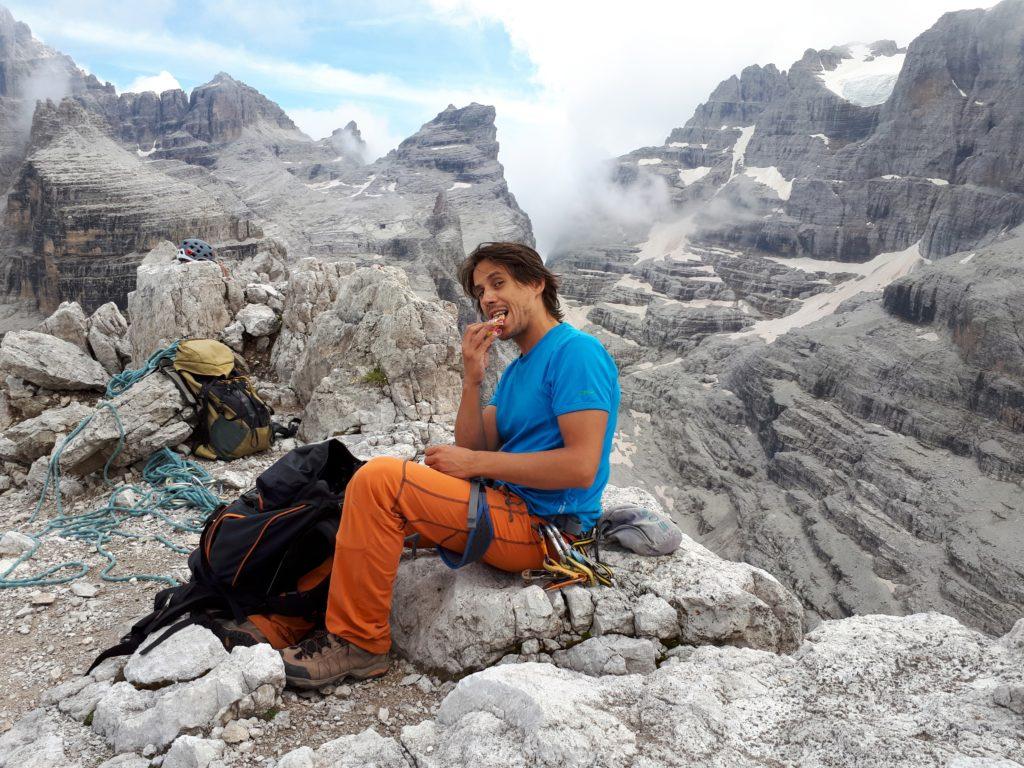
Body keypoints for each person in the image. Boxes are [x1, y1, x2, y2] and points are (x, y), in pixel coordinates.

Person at [269, 241, 621, 689]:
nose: (487, 298)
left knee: (380, 481)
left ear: (536, 284)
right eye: (479, 292)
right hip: (501, 505)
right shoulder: (517, 370)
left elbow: (581, 466)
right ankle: (282, 621)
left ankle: (360, 643)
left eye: (499, 283)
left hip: (542, 527)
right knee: (355, 507)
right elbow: (475, 443)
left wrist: (472, 461)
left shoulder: (576, 353)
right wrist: (472, 378)